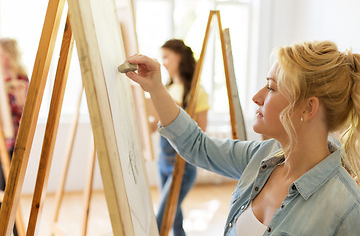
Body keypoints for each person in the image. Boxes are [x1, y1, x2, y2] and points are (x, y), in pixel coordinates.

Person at [126, 40, 360, 235]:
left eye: (271, 88)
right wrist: (156, 88)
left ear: (308, 108)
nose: (256, 97)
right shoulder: (262, 156)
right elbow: (197, 145)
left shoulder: (347, 208)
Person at [149, 39, 209, 236]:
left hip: (183, 164)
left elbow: (201, 131)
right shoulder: (163, 90)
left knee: (164, 215)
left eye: (166, 57)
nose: (163, 62)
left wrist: (179, 113)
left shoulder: (197, 92)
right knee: (174, 216)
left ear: (180, 58)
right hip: (163, 161)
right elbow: (154, 126)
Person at [0, 38, 29, 236]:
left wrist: (13, 90)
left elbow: (21, 108)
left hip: (13, 142)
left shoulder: (20, 79)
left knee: (8, 190)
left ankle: (14, 229)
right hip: (2, 142)